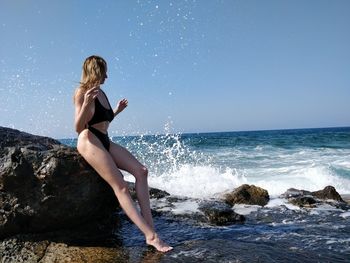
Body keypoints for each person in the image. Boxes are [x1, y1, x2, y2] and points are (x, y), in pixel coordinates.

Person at [74, 55, 173, 252]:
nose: (107, 76)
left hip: (104, 139)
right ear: (95, 71)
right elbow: (78, 127)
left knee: (142, 171)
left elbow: (103, 120)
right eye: (104, 72)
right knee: (120, 185)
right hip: (88, 139)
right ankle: (151, 236)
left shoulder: (102, 93)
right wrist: (85, 104)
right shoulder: (81, 92)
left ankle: (150, 226)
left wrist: (117, 111)